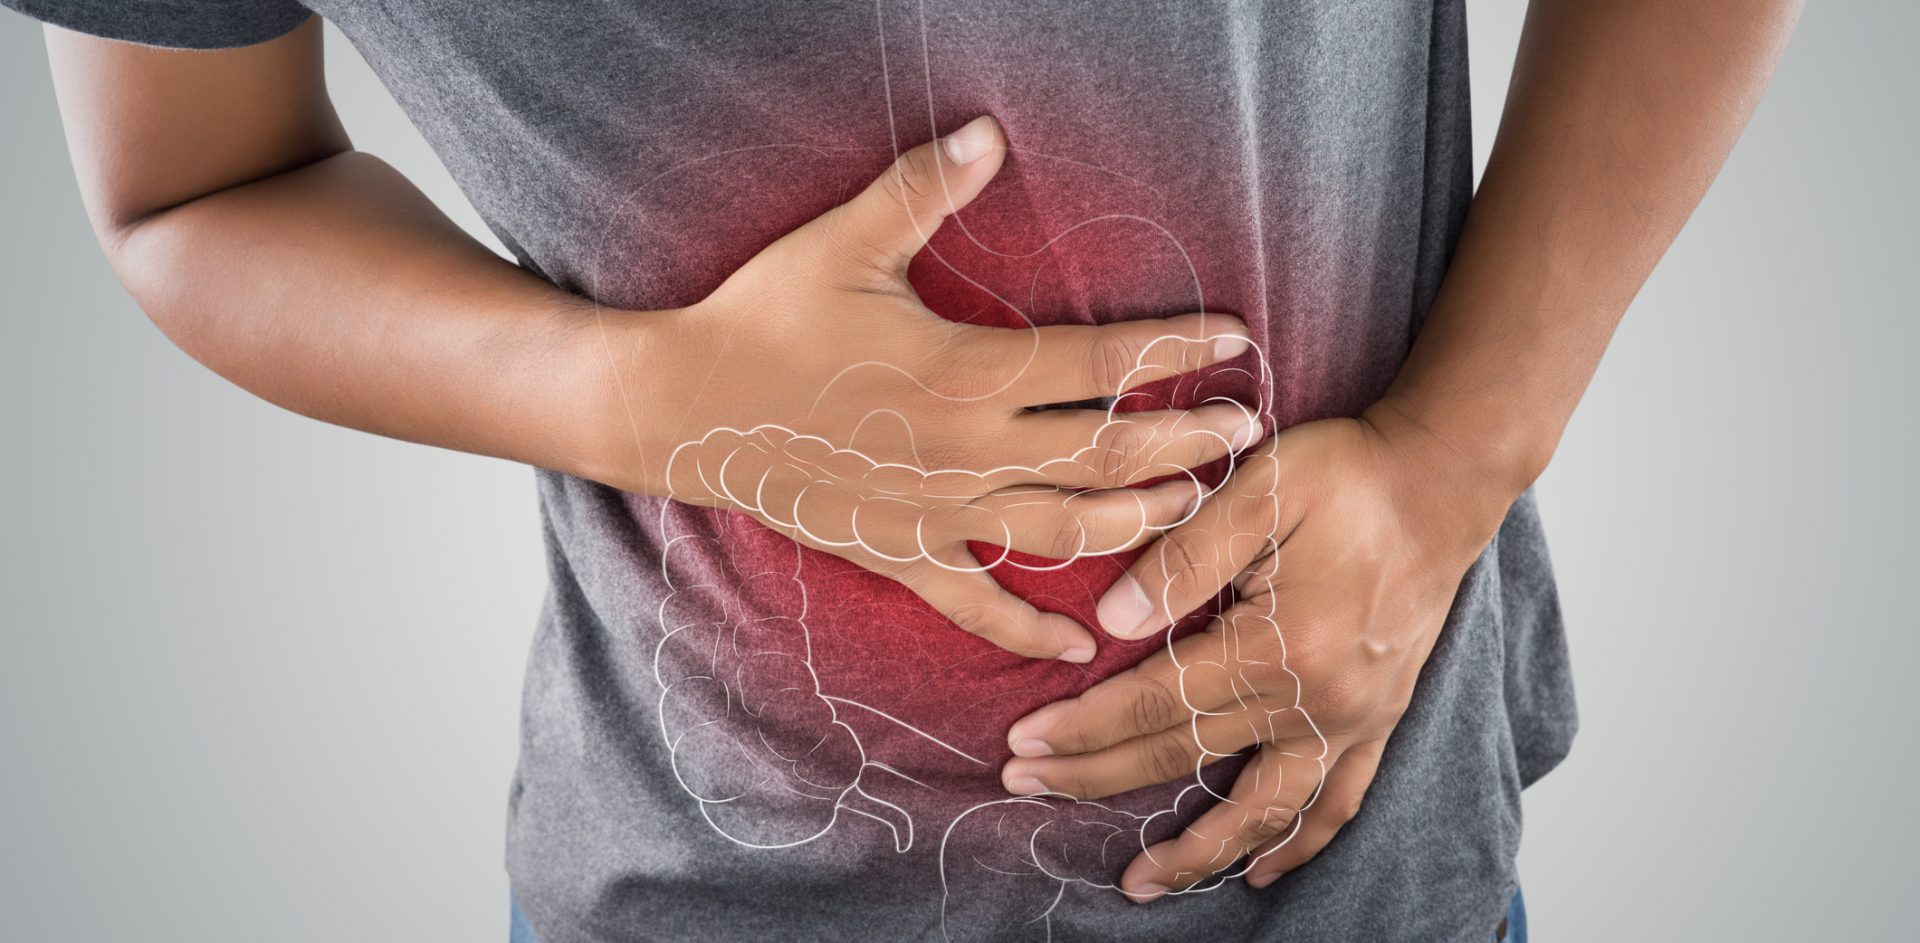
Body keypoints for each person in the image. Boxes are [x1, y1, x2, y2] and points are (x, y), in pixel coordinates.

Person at [3, 1, 1797, 940]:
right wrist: (647, 401)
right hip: (697, 893)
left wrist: (1455, 448)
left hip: (1352, 880)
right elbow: (191, 192)